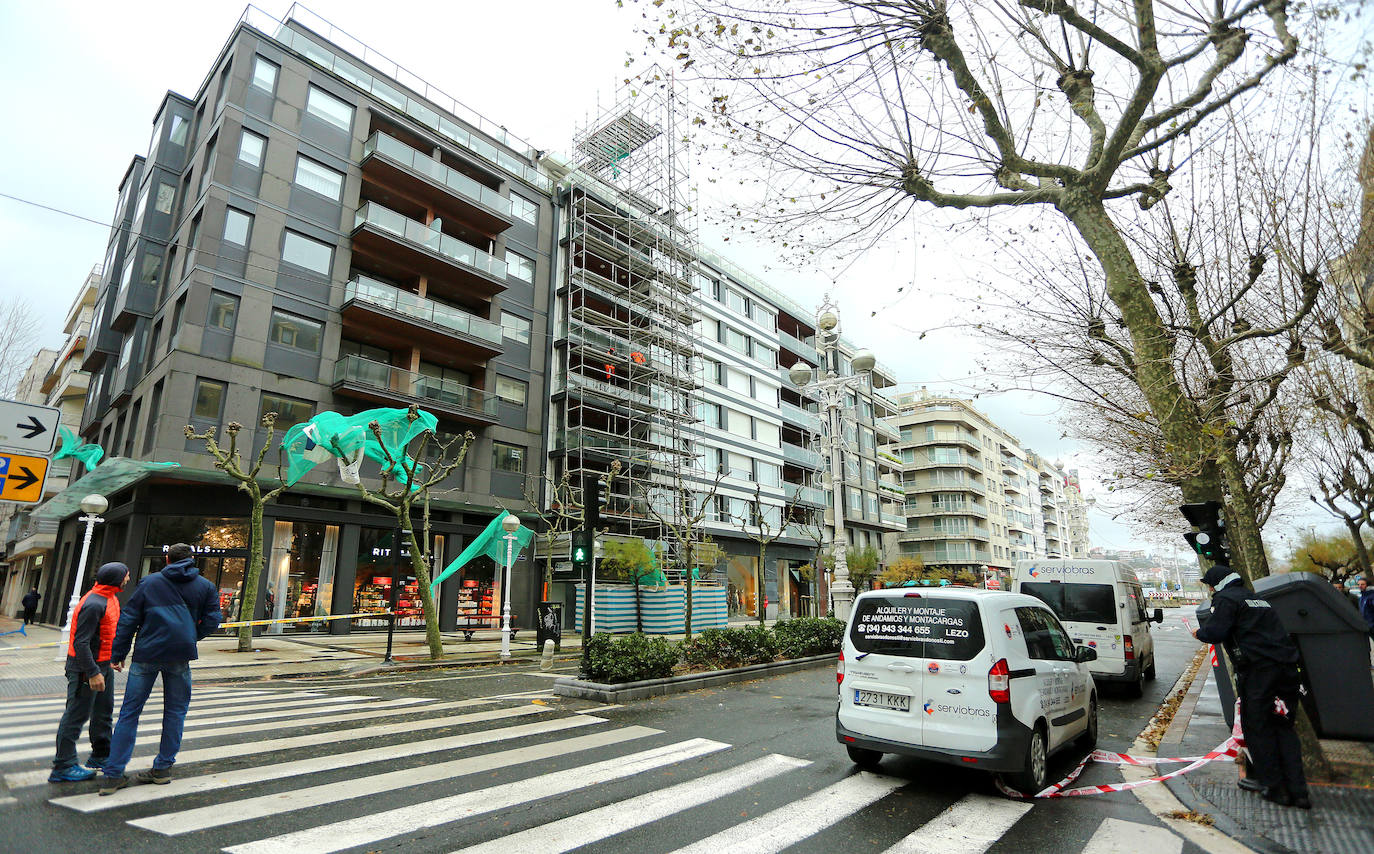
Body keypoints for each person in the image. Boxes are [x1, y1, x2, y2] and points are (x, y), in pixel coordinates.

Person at [99, 544, 221, 795]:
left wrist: (118, 654)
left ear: (167, 559)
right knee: (176, 711)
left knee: (130, 712)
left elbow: (129, 619)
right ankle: (163, 769)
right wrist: (191, 636)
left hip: (147, 653)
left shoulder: (149, 583)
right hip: (180, 655)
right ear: (192, 559)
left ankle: (113, 775)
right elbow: (213, 619)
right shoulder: (205, 586)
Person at [1191, 563, 1310, 809]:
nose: (1210, 590)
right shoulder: (1258, 599)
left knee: (1258, 728)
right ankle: (1299, 792)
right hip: (1287, 671)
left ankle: (1275, 789)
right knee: (1285, 729)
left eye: (1210, 585)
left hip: (1259, 673)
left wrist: (1199, 633)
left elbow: (1215, 631)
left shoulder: (1225, 599)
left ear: (1217, 584)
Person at [49, 563, 129, 782]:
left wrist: (111, 658)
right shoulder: (94, 603)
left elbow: (105, 633)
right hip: (85, 668)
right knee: (76, 716)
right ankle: (63, 766)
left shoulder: (110, 597)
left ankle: (101, 755)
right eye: (126, 576)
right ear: (116, 579)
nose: (128, 579)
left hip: (102, 665)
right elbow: (81, 642)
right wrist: (93, 672)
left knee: (103, 711)